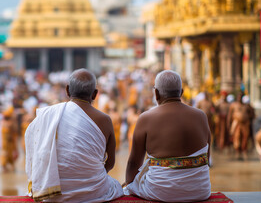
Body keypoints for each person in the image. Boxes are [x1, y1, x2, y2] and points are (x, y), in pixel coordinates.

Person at [25, 69, 123, 202]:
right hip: (94, 191)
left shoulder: (49, 115)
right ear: (94, 94)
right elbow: (110, 163)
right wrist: (90, 180)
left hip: (52, 193)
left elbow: (34, 149)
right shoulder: (105, 120)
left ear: (67, 90)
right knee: (117, 186)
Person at [124, 70, 211, 202]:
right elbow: (207, 158)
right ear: (181, 92)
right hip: (200, 191)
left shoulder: (146, 118)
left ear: (156, 93)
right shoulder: (201, 116)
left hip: (159, 192)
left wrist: (130, 187)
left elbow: (133, 163)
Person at [227, 93, 255, 160]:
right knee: (236, 137)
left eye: (240, 97)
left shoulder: (246, 106)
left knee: (245, 137)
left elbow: (252, 114)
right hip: (237, 123)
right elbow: (229, 115)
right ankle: (237, 152)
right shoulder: (233, 105)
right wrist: (228, 123)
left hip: (245, 124)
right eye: (238, 97)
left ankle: (244, 151)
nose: (239, 98)